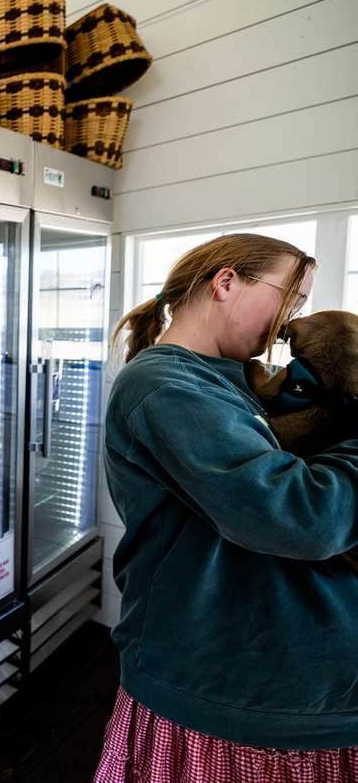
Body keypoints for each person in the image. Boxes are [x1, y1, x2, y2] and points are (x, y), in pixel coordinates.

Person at [95, 233, 358, 781]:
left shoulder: (234, 383)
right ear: (226, 282)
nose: (290, 324)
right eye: (292, 299)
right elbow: (299, 515)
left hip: (291, 692)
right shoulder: (165, 384)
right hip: (225, 697)